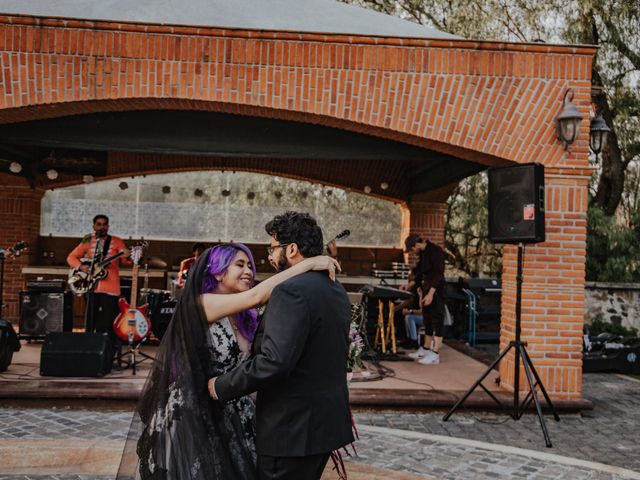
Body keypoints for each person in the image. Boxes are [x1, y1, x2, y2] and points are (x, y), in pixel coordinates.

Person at [128, 241, 340, 480]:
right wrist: (309, 263)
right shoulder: (201, 303)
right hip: (194, 414)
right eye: (240, 264)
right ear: (217, 271)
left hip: (235, 410)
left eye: (250, 265)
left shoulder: (243, 317)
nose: (249, 271)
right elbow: (259, 295)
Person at [209, 211, 354, 480]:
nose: (269, 256)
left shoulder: (291, 290)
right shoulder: (335, 289)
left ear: (292, 249)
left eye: (273, 248)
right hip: (324, 427)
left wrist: (220, 386)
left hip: (291, 431)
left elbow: (274, 361)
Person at [66, 214, 131, 343]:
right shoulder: (87, 240)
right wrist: (81, 266)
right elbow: (71, 257)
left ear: (108, 226)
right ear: (94, 226)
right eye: (99, 224)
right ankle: (89, 347)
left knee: (107, 323)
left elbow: (127, 261)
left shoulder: (117, 241)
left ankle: (107, 349)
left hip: (110, 288)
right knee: (90, 321)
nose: (102, 227)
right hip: (91, 287)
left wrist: (129, 255)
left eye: (104, 224)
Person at [401, 234, 446, 365]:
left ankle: (435, 353)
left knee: (437, 319)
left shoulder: (436, 251)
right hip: (426, 289)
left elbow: (439, 273)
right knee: (427, 319)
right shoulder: (424, 253)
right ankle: (426, 349)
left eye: (411, 249)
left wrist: (431, 293)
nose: (412, 252)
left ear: (416, 244)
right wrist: (410, 285)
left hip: (436, 290)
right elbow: (420, 272)